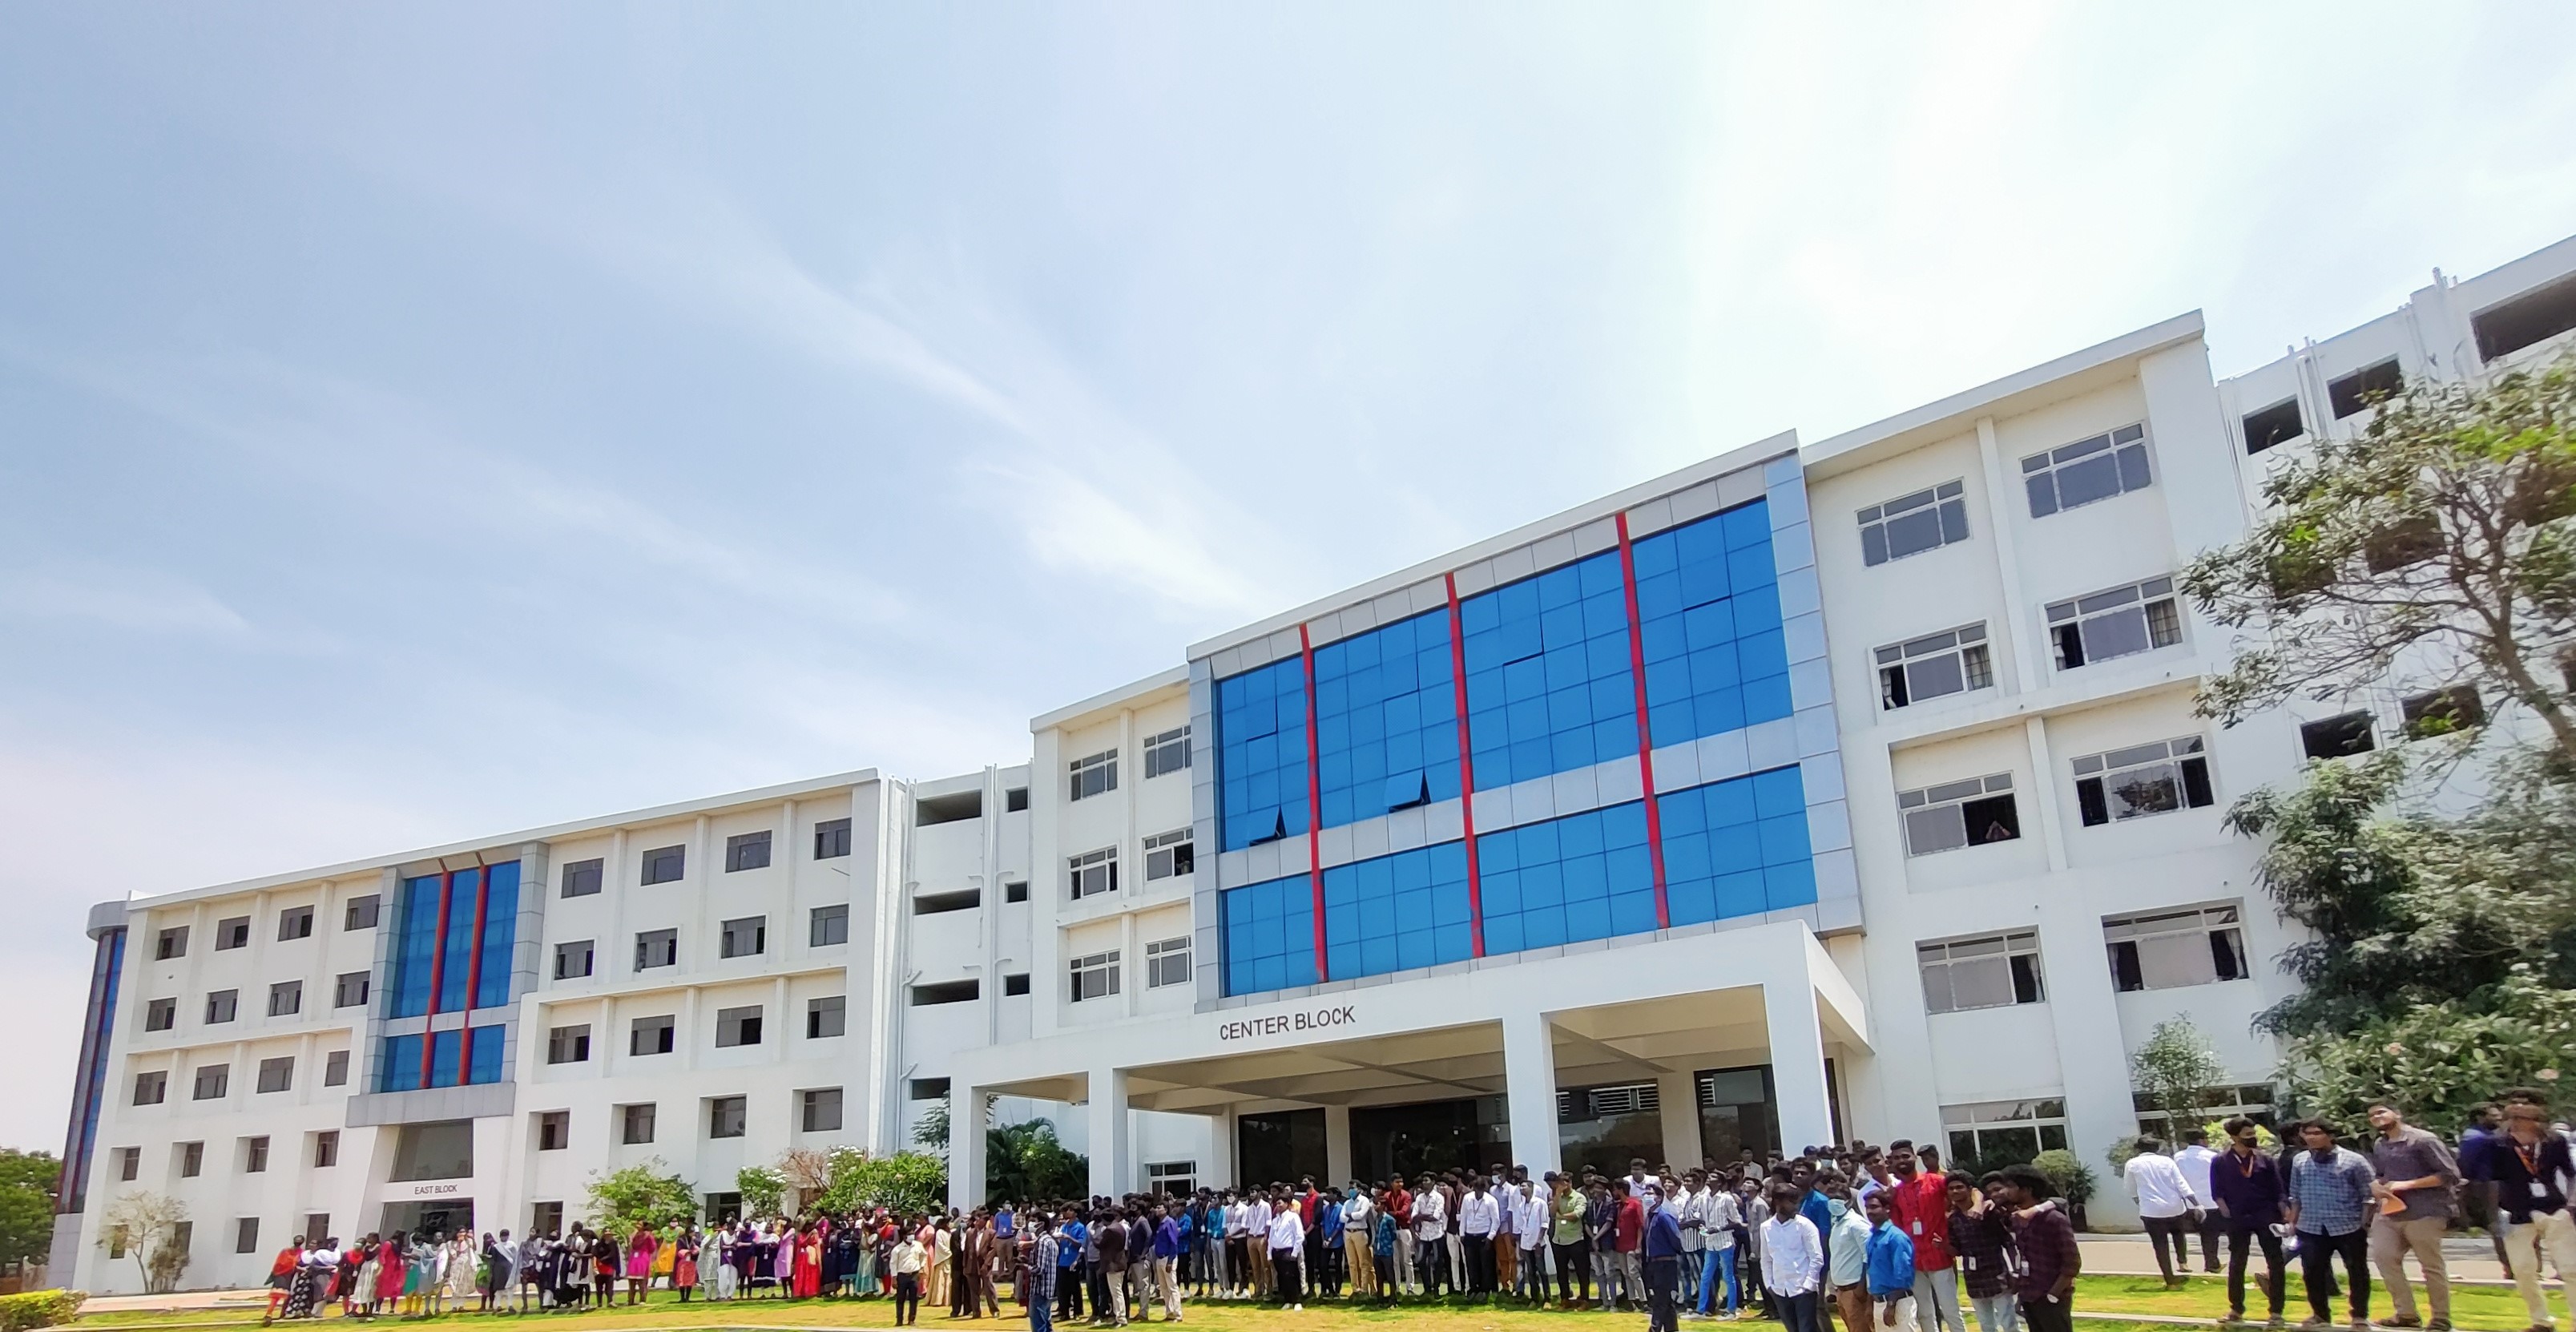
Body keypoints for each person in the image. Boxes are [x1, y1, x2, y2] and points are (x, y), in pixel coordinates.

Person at [2473, 1092, 2575, 1332]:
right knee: (2522, 1269)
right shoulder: (2497, 1144)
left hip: (2553, 1208)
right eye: (2514, 1115)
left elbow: (2571, 1173)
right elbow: (2489, 1180)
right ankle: (2541, 1320)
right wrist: (2493, 1215)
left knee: (2570, 1268)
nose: (2518, 1120)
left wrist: (2572, 1203)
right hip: (2516, 1211)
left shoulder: (2553, 1141)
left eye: (2524, 1115)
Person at [2364, 1104, 2458, 1331]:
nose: (2376, 1117)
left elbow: (2450, 1174)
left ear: (2397, 1114)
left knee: (2431, 1266)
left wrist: (2407, 1184)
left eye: (2381, 1112)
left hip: (2426, 1211)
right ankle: (2406, 1314)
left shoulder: (2424, 1140)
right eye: (2372, 1115)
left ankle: (2440, 1319)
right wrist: (2376, 1185)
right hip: (2390, 1211)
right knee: (2383, 1257)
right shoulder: (2380, 1144)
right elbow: (2382, 1175)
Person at [2285, 1118, 2376, 1330]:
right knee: (2312, 1272)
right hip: (2311, 1226)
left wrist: (2364, 1223)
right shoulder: (2300, 1161)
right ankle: (2320, 1314)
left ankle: (2360, 1316)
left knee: (2357, 1272)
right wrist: (2293, 1223)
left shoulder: (2354, 1161)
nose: (2311, 1138)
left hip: (2348, 1226)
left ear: (2331, 1135)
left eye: (2317, 1133)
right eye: (2307, 1133)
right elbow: (2295, 1195)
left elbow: (2369, 1195)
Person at [2207, 1116, 2287, 1326]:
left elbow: (2278, 1190)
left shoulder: (2265, 1159)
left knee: (2275, 1262)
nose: (2252, 1138)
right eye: (2247, 1135)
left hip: (2266, 1215)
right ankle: (2236, 1308)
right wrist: (2227, 1213)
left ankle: (2276, 1311)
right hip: (2237, 1217)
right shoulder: (2220, 1161)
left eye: (2253, 1134)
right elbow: (2217, 1191)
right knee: (2237, 1262)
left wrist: (2284, 1214)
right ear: (2234, 1137)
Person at [1889, 1141, 1963, 1332]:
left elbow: (1966, 1192)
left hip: (1939, 1256)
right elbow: (1897, 1229)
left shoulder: (1936, 1182)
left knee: (1950, 1310)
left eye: (1905, 1156)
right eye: (1897, 1158)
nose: (1902, 1161)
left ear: (1914, 1157)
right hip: (1914, 1261)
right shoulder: (1896, 1193)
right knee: (1924, 1312)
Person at [1992, 1167, 2076, 1332]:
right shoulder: (2017, 1219)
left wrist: (2053, 1295)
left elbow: (2072, 1262)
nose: (2005, 1191)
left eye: (2010, 1186)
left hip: (2051, 1295)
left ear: (2027, 1190)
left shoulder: (2054, 1219)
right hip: (2029, 1295)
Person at [2122, 1138, 2204, 1288]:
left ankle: (2170, 1279)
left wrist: (2139, 1202)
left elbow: (2130, 1188)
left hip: (2152, 1210)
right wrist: (2196, 1203)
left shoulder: (2132, 1164)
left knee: (2160, 1245)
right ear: (2157, 1148)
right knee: (2179, 1234)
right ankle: (2183, 1262)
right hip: (2175, 1206)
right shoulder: (2167, 1161)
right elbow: (2181, 1184)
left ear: (2138, 1149)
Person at [1944, 1177, 2014, 1332]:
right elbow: (1958, 1250)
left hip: (1997, 1276)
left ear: (1970, 1189)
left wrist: (2014, 1271)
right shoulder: (1954, 1220)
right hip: (1974, 1280)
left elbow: (2007, 1242)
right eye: (1951, 1188)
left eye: (1959, 1187)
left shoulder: (1988, 1211)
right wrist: (1943, 1246)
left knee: (2009, 1324)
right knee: (1986, 1325)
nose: (1955, 1191)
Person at [1762, 1182, 1827, 1332]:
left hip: (1802, 1288)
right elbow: (1766, 1259)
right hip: (1780, 1289)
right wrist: (1769, 1284)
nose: (1796, 1206)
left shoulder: (1805, 1225)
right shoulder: (1766, 1227)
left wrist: (1809, 1285)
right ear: (1778, 1202)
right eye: (1792, 1202)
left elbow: (1816, 1257)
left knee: (1807, 1329)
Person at [1864, 1192, 1919, 1332]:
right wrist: (1870, 1305)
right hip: (1879, 1302)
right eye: (1867, 1207)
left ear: (1887, 1209)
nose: (1869, 1211)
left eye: (1874, 1207)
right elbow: (1872, 1273)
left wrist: (1891, 1305)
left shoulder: (1896, 1237)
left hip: (1898, 1303)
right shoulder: (1872, 1237)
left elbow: (1903, 1274)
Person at [1827, 1184, 1873, 1332]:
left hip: (1855, 1289)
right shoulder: (1837, 1223)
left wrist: (1862, 1286)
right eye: (1831, 1198)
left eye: (1838, 1198)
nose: (1833, 1202)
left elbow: (1869, 1255)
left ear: (1849, 1201)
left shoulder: (1856, 1224)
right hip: (1841, 1290)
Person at [1644, 1184, 1686, 1332]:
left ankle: (1654, 1328)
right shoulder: (1650, 1216)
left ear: (1660, 1197)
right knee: (1665, 1300)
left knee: (1660, 1300)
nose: (1647, 1197)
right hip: (1654, 1262)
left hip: (1666, 1262)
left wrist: (1674, 1253)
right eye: (1645, 1194)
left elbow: (1675, 1237)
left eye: (1650, 1194)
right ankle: (1672, 1329)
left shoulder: (1664, 1215)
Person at [1267, 1188, 1306, 1310]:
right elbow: (1271, 1237)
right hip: (1277, 1251)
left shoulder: (1292, 1217)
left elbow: (1299, 1236)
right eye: (1276, 1203)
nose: (1277, 1206)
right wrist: (1269, 1253)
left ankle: (1297, 1301)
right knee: (1282, 1278)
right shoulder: (1275, 1220)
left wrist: (1294, 1253)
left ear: (1287, 1204)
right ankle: (1287, 1300)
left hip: (1288, 1250)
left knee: (1292, 1276)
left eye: (1280, 1203)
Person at [1029, 1218, 1061, 1332]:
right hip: (1049, 1289)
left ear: (1041, 1224)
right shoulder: (1051, 1241)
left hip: (1040, 1289)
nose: (1030, 1224)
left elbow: (1040, 1269)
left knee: (1038, 1324)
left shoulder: (1043, 1241)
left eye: (1033, 1221)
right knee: (1046, 1322)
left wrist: (1026, 1267)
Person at [891, 1221, 925, 1326]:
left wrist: (921, 1267)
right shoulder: (897, 1249)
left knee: (914, 1298)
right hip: (902, 1276)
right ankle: (899, 1320)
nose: (911, 1236)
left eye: (912, 1234)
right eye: (909, 1234)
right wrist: (894, 1278)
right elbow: (893, 1264)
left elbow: (924, 1255)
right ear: (904, 1236)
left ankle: (911, 1319)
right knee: (900, 1299)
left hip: (914, 1275)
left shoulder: (918, 1245)